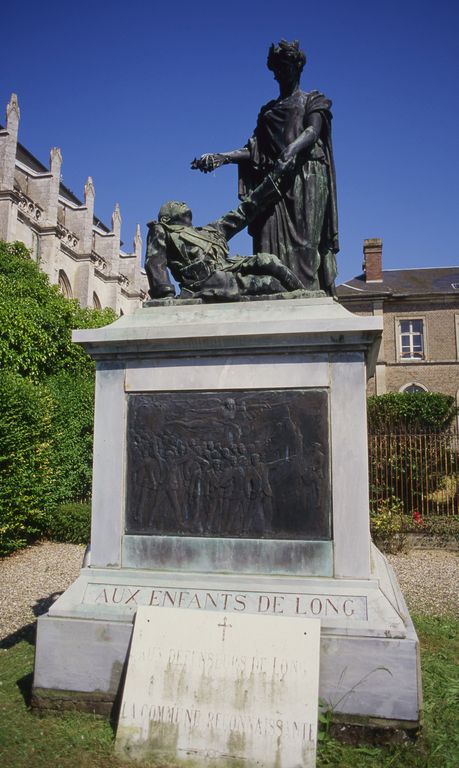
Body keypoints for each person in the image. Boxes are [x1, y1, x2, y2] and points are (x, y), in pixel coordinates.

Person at [192, 39, 339, 296]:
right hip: (273, 183)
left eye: (286, 67)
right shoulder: (268, 112)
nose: (281, 74)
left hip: (305, 178)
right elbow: (254, 152)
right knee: (267, 249)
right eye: (277, 69)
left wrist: (291, 150)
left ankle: (307, 300)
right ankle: (273, 295)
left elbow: (313, 131)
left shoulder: (313, 99)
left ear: (297, 68)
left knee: (304, 247)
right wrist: (221, 157)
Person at [145, 171, 305, 301]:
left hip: (228, 268)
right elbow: (155, 262)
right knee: (269, 283)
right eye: (175, 205)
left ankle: (305, 293)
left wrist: (273, 181)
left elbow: (244, 211)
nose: (181, 203)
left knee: (268, 260)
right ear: (166, 218)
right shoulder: (162, 229)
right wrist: (165, 294)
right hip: (206, 281)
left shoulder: (210, 231)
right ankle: (301, 299)